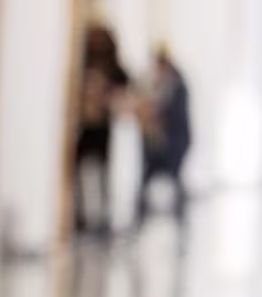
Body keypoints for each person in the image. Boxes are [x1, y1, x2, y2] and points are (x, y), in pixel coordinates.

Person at [74, 23, 130, 236]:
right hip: (85, 128)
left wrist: (105, 94)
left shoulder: (113, 67)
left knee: (100, 172)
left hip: (102, 129)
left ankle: (99, 217)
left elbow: (124, 87)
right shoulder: (85, 60)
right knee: (83, 170)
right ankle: (82, 216)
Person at [137, 46, 193, 228]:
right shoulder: (161, 82)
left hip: (176, 141)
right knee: (149, 178)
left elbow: (169, 111)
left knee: (175, 178)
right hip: (161, 142)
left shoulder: (177, 84)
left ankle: (181, 217)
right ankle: (142, 217)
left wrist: (154, 111)